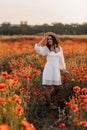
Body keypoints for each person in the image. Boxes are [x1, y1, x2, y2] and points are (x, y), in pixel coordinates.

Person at [34, 32, 69, 109]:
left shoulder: (60, 48)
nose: (49, 40)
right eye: (48, 39)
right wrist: (43, 39)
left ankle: (47, 99)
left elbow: (61, 60)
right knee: (48, 87)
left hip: (56, 70)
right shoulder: (47, 49)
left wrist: (64, 70)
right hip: (48, 69)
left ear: (54, 39)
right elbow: (37, 48)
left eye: (50, 39)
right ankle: (50, 104)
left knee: (58, 87)